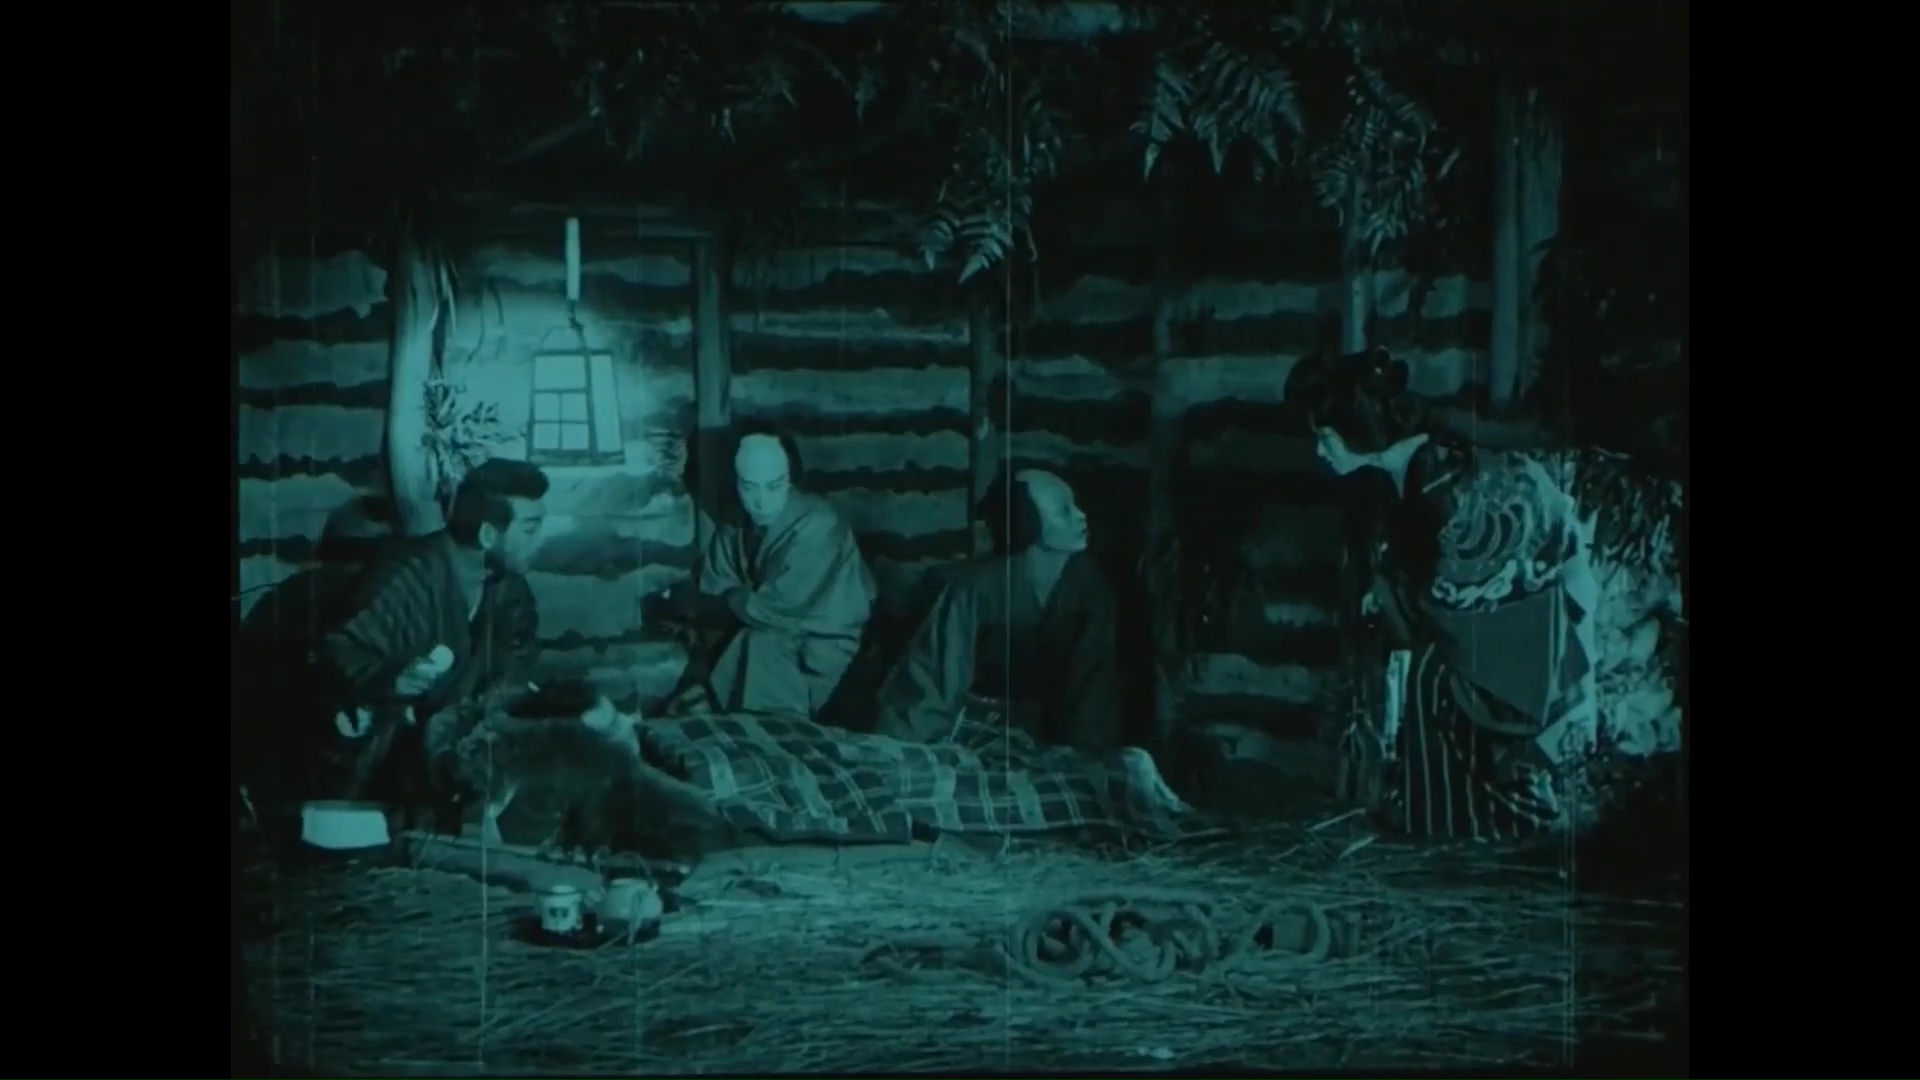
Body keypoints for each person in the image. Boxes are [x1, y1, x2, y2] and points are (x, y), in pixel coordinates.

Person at [1289, 346, 1680, 841]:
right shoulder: (1410, 474)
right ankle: (1439, 819)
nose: (1321, 452)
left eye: (1326, 437)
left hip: (1525, 640)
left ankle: (1477, 825)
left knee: (1434, 677)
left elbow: (1464, 600)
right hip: (1493, 623)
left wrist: (1393, 597)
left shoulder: (1449, 483)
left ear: (1360, 429)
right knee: (1428, 673)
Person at [311, 458, 548, 812]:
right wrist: (391, 679)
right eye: (530, 529)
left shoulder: (511, 591)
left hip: (458, 758)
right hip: (374, 768)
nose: (541, 541)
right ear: (487, 535)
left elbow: (515, 670)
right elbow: (335, 652)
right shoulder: (404, 576)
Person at [874, 467, 1121, 751]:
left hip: (1054, 739)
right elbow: (932, 683)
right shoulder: (973, 590)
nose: (1080, 516)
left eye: (1075, 505)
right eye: (1064, 510)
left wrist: (1082, 757)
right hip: (973, 732)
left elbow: (1095, 691)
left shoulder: (1092, 591)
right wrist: (907, 753)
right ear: (1026, 521)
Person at [673, 425, 877, 718]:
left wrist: (732, 598)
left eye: (773, 486)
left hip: (823, 649)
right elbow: (712, 587)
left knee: (760, 648)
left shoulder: (818, 525)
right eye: (749, 487)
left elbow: (776, 609)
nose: (760, 500)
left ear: (791, 481)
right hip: (759, 638)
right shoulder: (736, 522)